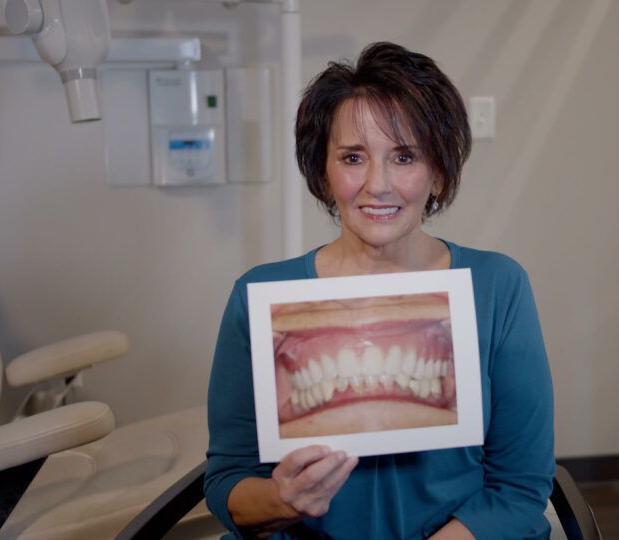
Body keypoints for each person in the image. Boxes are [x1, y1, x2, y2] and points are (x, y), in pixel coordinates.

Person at [204, 41, 555, 539]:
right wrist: (281, 500)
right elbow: (227, 482)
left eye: (405, 156)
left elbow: (519, 489)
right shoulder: (260, 296)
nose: (378, 184)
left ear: (437, 173)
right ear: (323, 174)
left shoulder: (498, 287)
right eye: (352, 157)